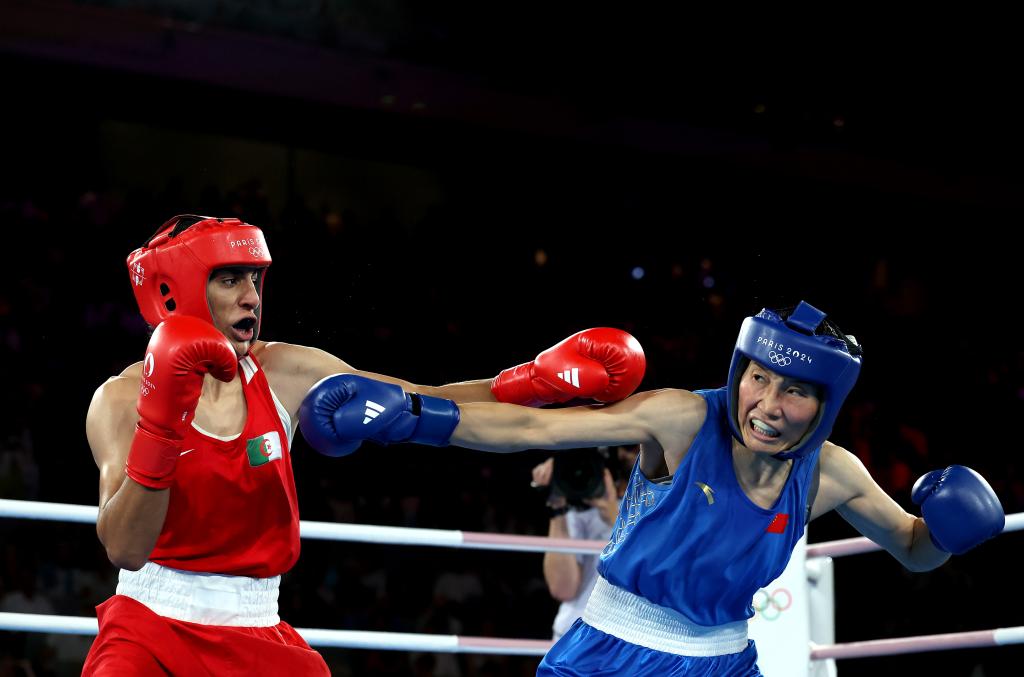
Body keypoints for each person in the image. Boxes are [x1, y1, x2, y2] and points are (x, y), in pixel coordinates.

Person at [298, 300, 1006, 676]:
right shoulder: (684, 418)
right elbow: (532, 432)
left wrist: (947, 528)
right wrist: (418, 414)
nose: (766, 401)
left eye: (794, 389)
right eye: (759, 375)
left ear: (827, 405)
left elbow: (914, 549)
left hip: (727, 662)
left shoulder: (830, 473)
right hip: (611, 650)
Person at [81, 214, 646, 674]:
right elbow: (125, 547)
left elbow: (421, 396)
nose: (251, 296)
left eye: (256, 279)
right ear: (173, 291)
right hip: (150, 626)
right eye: (230, 279)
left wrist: (537, 383)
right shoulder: (120, 399)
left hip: (255, 628)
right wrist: (163, 421)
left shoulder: (284, 372)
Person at [531, 445, 639, 640]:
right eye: (625, 447)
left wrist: (616, 519)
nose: (631, 454)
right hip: (576, 634)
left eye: (636, 446)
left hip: (632, 640)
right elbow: (562, 588)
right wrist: (557, 507)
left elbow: (657, 575)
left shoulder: (667, 501)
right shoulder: (584, 499)